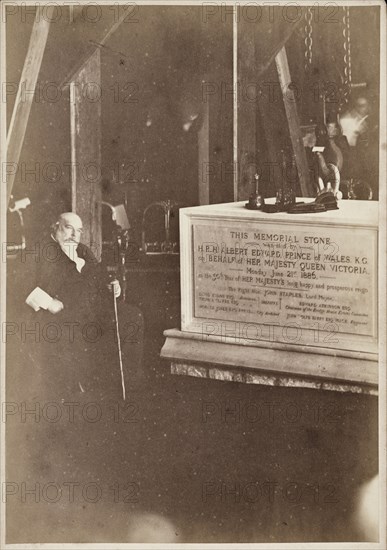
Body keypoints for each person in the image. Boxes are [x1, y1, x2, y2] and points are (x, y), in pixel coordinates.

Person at [23, 212, 122, 403]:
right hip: (57, 314)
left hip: (89, 310)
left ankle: (115, 390)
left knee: (132, 316)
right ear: (55, 227)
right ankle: (77, 392)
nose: (75, 235)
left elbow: (103, 278)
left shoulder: (83, 250)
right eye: (69, 228)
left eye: (79, 231)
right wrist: (49, 302)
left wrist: (113, 286)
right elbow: (20, 283)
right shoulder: (37, 250)